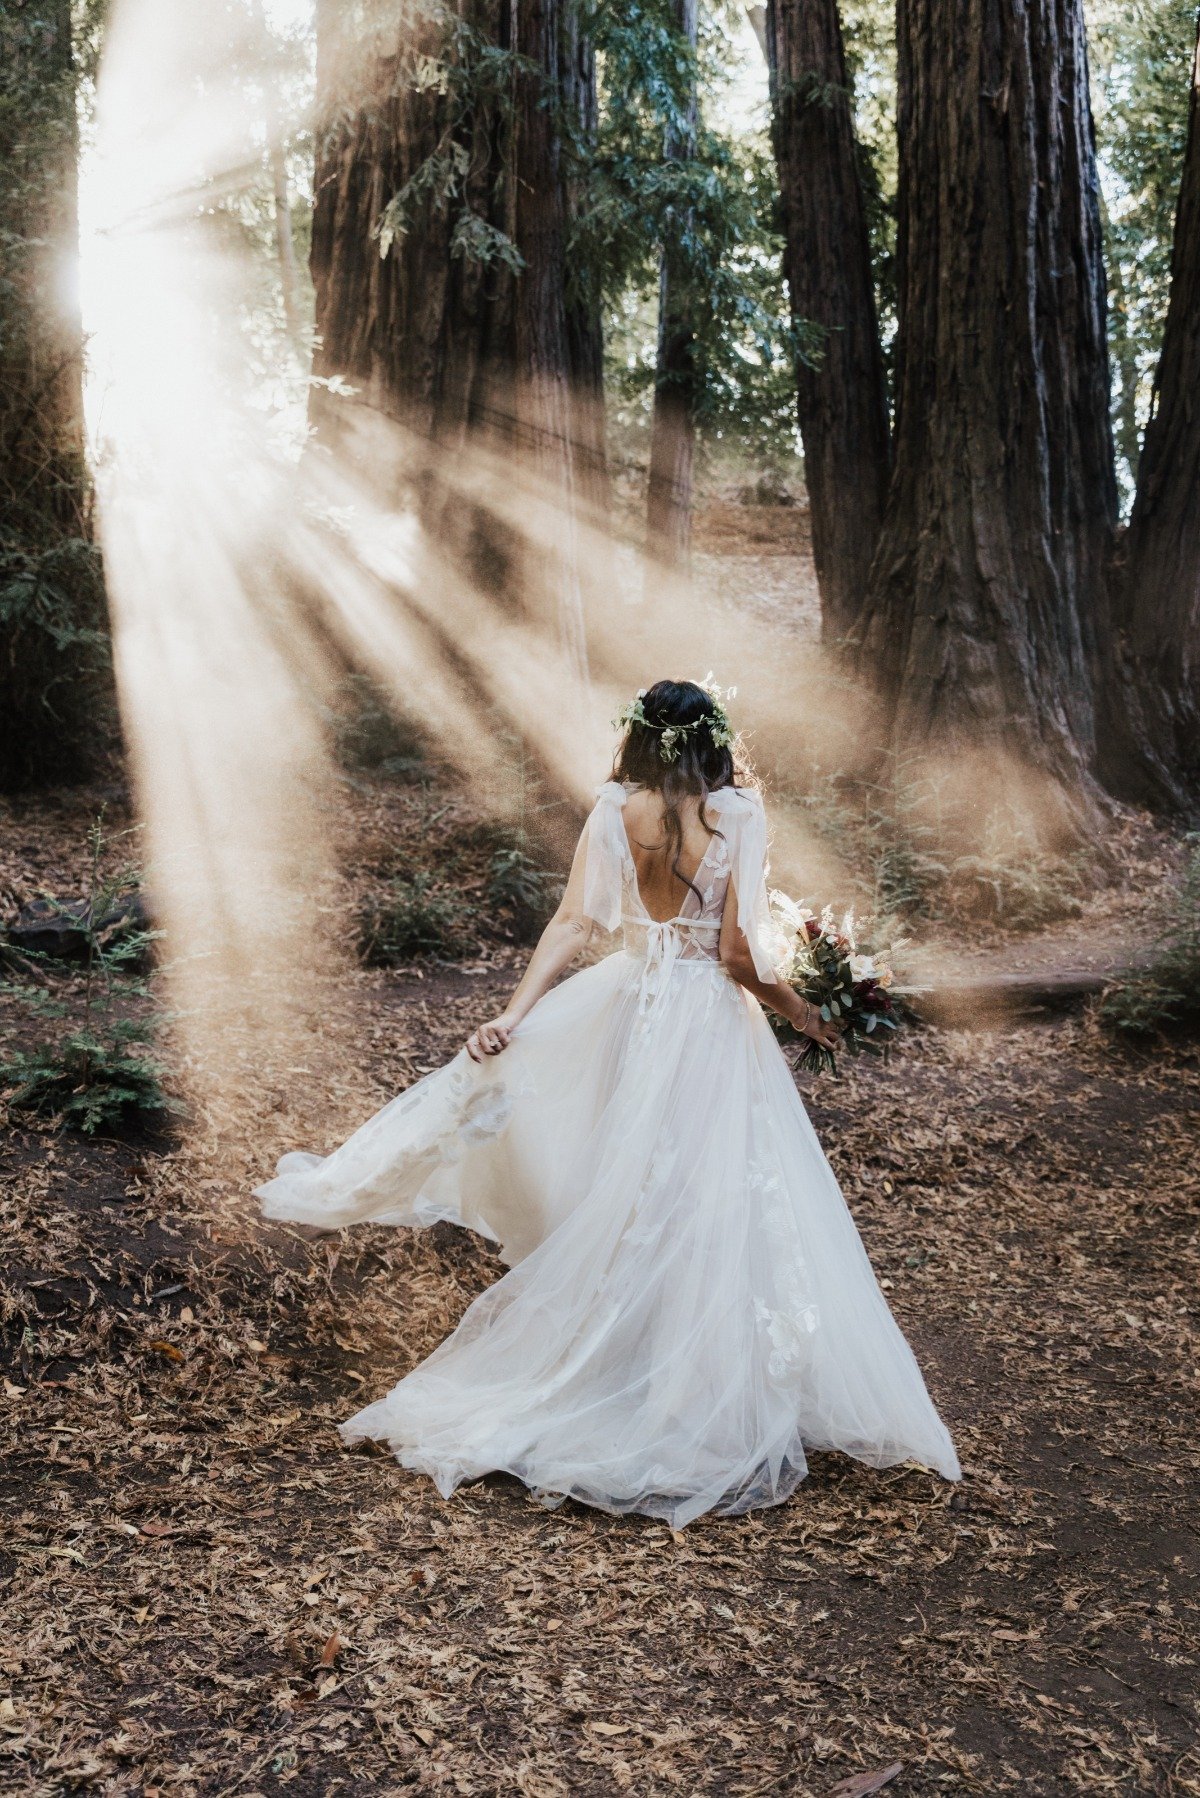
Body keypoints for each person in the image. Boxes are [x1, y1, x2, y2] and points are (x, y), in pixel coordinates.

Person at [256, 678, 960, 1527]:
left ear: (637, 740)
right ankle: (685, 1393)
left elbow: (569, 924)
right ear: (713, 742)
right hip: (705, 1025)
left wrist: (515, 1016)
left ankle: (638, 1368)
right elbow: (737, 952)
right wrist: (812, 1016)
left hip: (633, 1009)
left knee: (635, 1193)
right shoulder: (735, 814)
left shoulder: (612, 811)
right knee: (709, 1195)